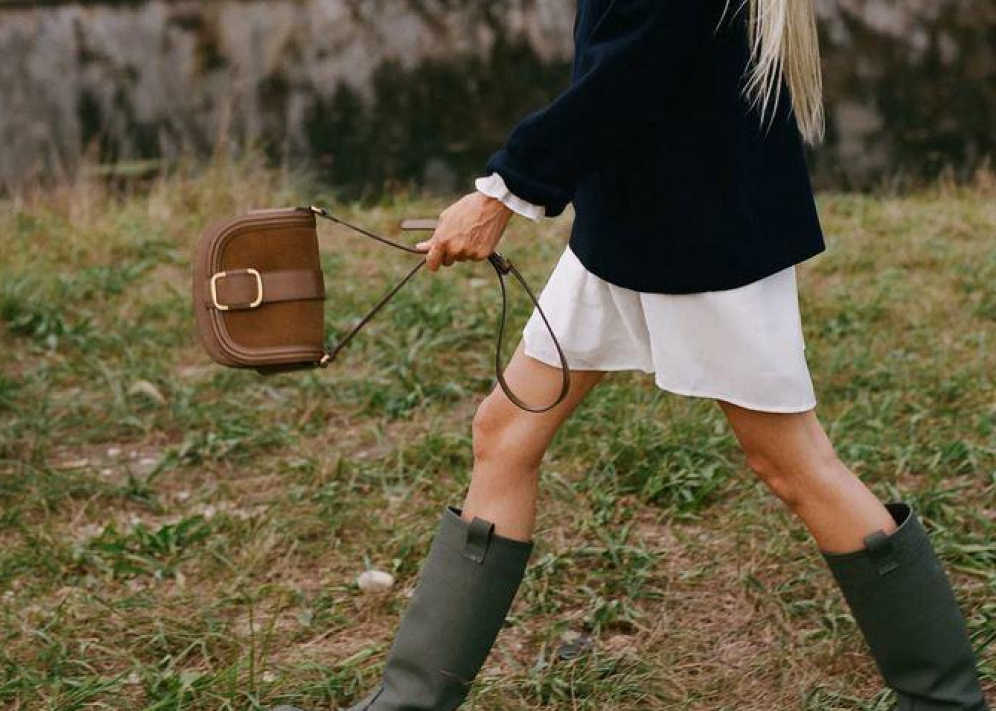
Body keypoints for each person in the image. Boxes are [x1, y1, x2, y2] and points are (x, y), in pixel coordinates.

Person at [276, 1, 991, 709]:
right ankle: (407, 702)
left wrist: (504, 191)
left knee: (794, 462)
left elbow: (632, 70)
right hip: (626, 222)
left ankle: (945, 700)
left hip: (704, 234)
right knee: (505, 431)